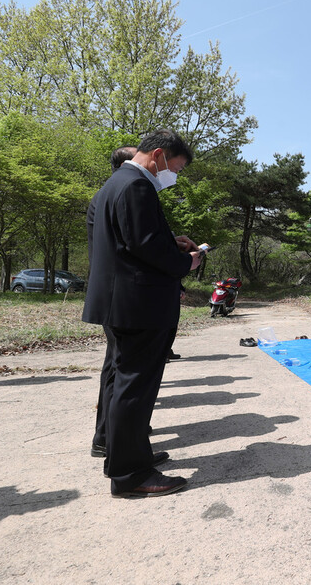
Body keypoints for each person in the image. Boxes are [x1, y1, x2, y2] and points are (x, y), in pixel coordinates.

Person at [83, 129, 203, 498]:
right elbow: (145, 246)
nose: (174, 175)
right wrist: (188, 260)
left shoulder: (115, 183)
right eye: (176, 167)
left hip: (123, 301)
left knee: (126, 383)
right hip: (138, 304)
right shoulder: (136, 186)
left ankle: (126, 456)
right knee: (135, 387)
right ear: (158, 154)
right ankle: (131, 473)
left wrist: (170, 241)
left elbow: (131, 241)